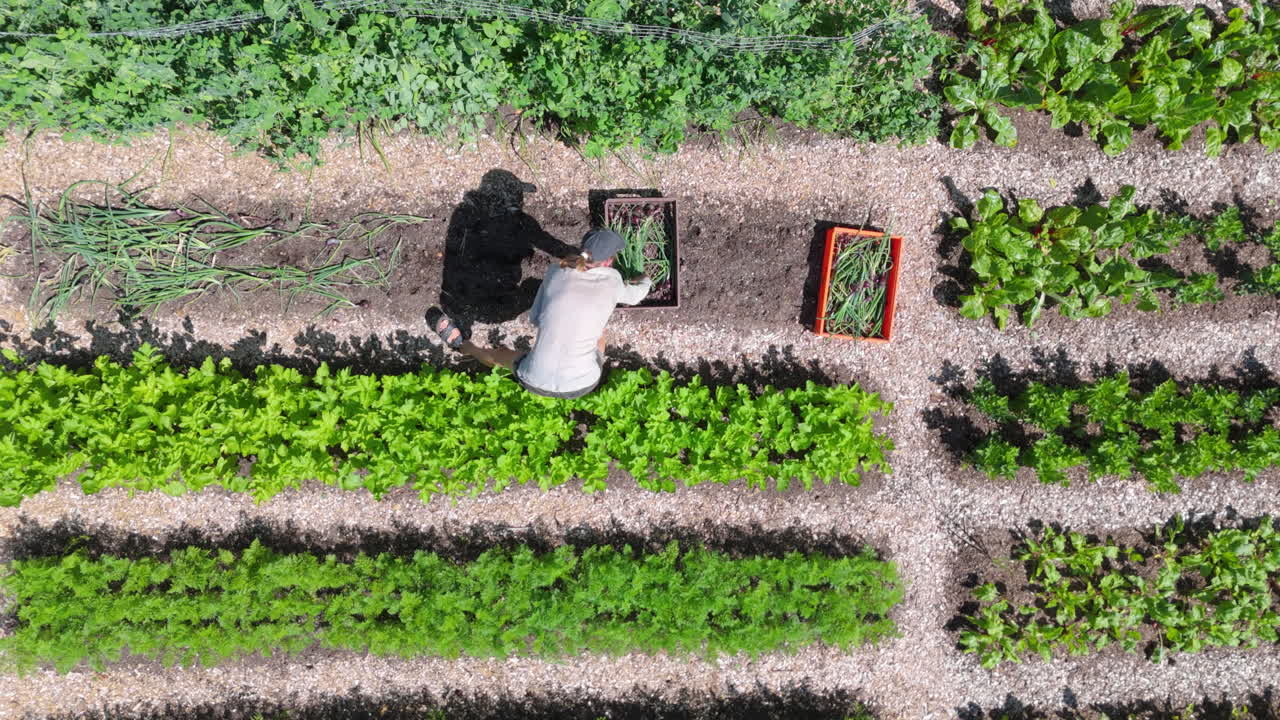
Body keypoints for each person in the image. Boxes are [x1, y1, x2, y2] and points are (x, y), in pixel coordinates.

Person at [428, 228, 651, 399]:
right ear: (609, 262)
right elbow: (637, 294)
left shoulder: (557, 272)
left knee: (498, 356)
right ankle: (461, 348)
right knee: (599, 335)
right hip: (584, 382)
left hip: (539, 378)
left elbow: (535, 318)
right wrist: (644, 278)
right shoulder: (613, 282)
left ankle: (463, 347)